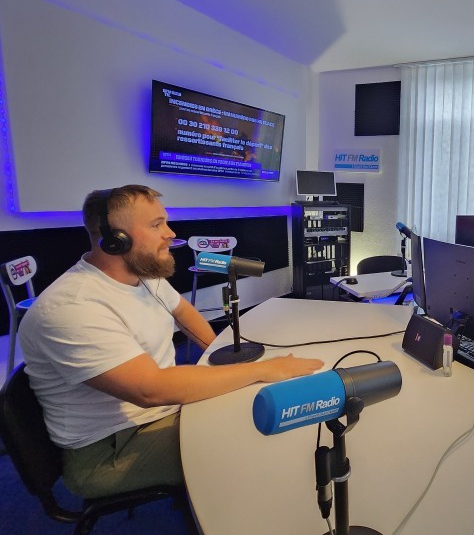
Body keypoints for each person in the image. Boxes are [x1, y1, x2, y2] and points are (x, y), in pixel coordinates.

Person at [18, 185, 324, 499]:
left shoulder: (143, 276)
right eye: (156, 225)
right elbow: (151, 389)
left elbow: (183, 312)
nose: (170, 233)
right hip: (109, 449)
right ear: (115, 239)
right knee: (254, 432)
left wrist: (225, 354)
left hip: (162, 410)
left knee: (260, 403)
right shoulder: (72, 308)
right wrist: (262, 370)